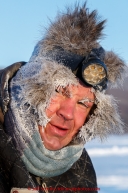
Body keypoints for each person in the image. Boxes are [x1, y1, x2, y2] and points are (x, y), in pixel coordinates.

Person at [0, 3, 127, 193]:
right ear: (29, 85)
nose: (68, 113)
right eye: (59, 91)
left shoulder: (82, 174)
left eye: (83, 103)